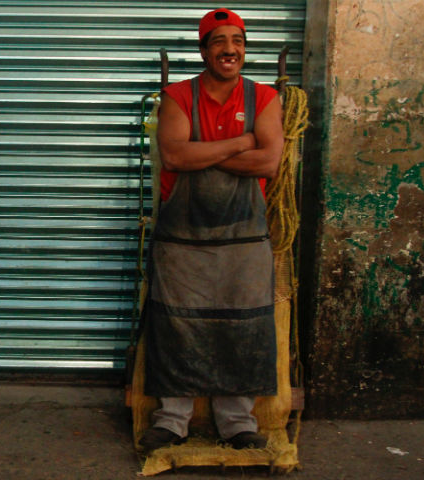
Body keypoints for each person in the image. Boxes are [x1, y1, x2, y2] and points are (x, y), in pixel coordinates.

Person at [139, 8, 283, 451]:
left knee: (244, 327)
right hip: (182, 242)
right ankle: (171, 421)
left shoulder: (264, 98)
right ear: (204, 50)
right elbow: (176, 158)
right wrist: (242, 142)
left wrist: (204, 149)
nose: (230, 50)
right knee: (176, 325)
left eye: (237, 42)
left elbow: (269, 162)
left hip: (244, 241)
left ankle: (238, 423)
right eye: (219, 41)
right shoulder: (178, 96)